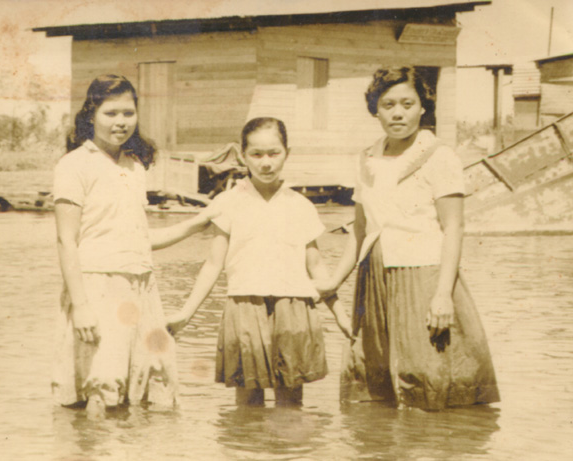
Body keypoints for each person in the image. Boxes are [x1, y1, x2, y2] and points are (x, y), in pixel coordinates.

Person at [317, 67, 500, 410]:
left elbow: (454, 228)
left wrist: (443, 294)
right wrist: (332, 281)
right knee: (374, 381)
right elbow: (360, 230)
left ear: (423, 107)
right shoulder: (367, 157)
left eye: (407, 103)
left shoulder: (439, 155)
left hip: (424, 276)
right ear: (375, 108)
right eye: (387, 104)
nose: (398, 113)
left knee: (426, 374)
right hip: (374, 278)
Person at [51, 74, 214, 418]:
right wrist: (80, 305)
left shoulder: (134, 165)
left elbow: (137, 241)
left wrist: (197, 223)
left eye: (128, 112)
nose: (120, 122)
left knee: (153, 382)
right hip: (98, 289)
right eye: (111, 113)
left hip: (142, 287)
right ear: (91, 115)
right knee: (102, 384)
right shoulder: (74, 165)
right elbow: (67, 241)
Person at [167, 117, 352, 406]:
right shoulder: (228, 202)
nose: (265, 162)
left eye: (273, 153)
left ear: (287, 153)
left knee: (291, 403)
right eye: (256, 154)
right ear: (243, 156)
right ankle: (248, 450)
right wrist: (186, 313)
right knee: (247, 405)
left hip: (294, 308)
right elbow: (214, 264)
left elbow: (316, 267)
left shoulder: (301, 205)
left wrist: (341, 315)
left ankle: (288, 453)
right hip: (244, 307)